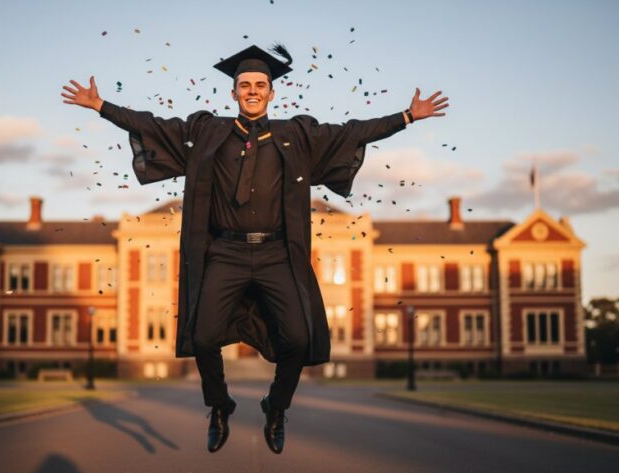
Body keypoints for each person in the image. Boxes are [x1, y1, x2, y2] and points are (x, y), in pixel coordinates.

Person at [61, 43, 448, 454]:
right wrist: (101, 106)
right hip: (225, 253)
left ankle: (276, 407)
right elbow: (153, 124)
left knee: (298, 338)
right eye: (244, 85)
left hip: (276, 254)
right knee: (203, 336)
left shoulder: (295, 136)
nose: (252, 91)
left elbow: (351, 132)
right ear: (233, 92)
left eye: (260, 85)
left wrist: (407, 117)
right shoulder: (207, 133)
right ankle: (219, 405)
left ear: (271, 92)